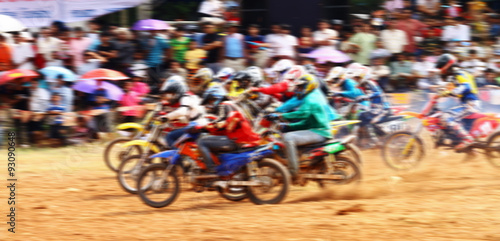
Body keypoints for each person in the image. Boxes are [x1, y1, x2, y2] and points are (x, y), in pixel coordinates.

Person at [268, 74, 333, 178]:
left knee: (288, 138)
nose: (298, 89)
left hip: (319, 131)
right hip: (317, 129)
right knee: (289, 133)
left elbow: (302, 113)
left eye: (301, 87)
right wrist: (290, 126)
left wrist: (280, 115)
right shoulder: (313, 95)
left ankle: (293, 172)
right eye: (298, 87)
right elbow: (306, 122)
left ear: (309, 86)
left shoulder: (310, 98)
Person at [195, 86, 261, 174]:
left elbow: (221, 122)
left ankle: (211, 170)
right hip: (246, 138)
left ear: (217, 98)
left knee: (202, 141)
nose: (209, 105)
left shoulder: (224, 105)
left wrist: (203, 127)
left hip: (236, 139)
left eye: (210, 101)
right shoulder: (233, 104)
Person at [435, 53, 480, 151]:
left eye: (442, 67)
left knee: (446, 118)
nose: (441, 70)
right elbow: (450, 88)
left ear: (447, 65)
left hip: (470, 104)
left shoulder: (458, 73)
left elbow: (466, 86)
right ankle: (472, 152)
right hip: (469, 103)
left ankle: (467, 139)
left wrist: (449, 92)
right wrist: (442, 92)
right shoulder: (460, 74)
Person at [158, 75, 207, 147]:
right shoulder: (189, 96)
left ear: (178, 90)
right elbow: (188, 114)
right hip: (199, 124)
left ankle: (176, 157)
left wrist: (166, 117)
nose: (171, 97)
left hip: (197, 125)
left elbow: (182, 111)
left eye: (173, 94)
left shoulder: (185, 97)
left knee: (170, 136)